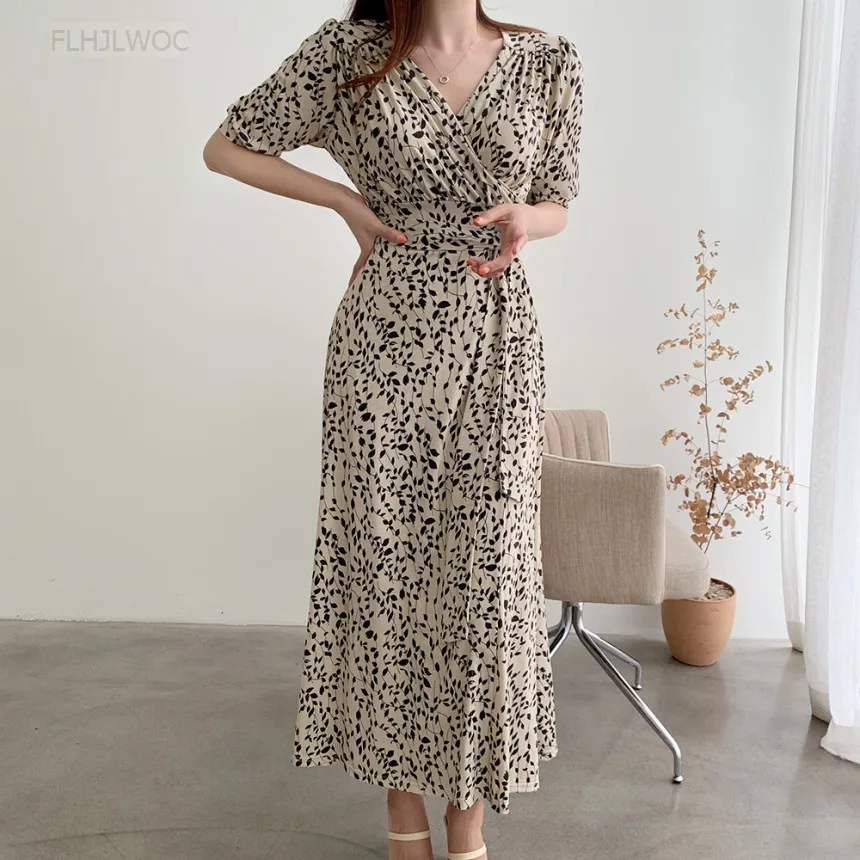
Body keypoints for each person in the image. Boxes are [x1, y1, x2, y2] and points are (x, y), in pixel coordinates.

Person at [204, 1, 583, 857]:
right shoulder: (352, 53)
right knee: (389, 560)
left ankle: (467, 819)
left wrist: (530, 220)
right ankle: (402, 809)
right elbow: (225, 147)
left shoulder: (549, 60)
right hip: (386, 339)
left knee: (488, 575)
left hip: (496, 337)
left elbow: (559, 198)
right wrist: (342, 198)